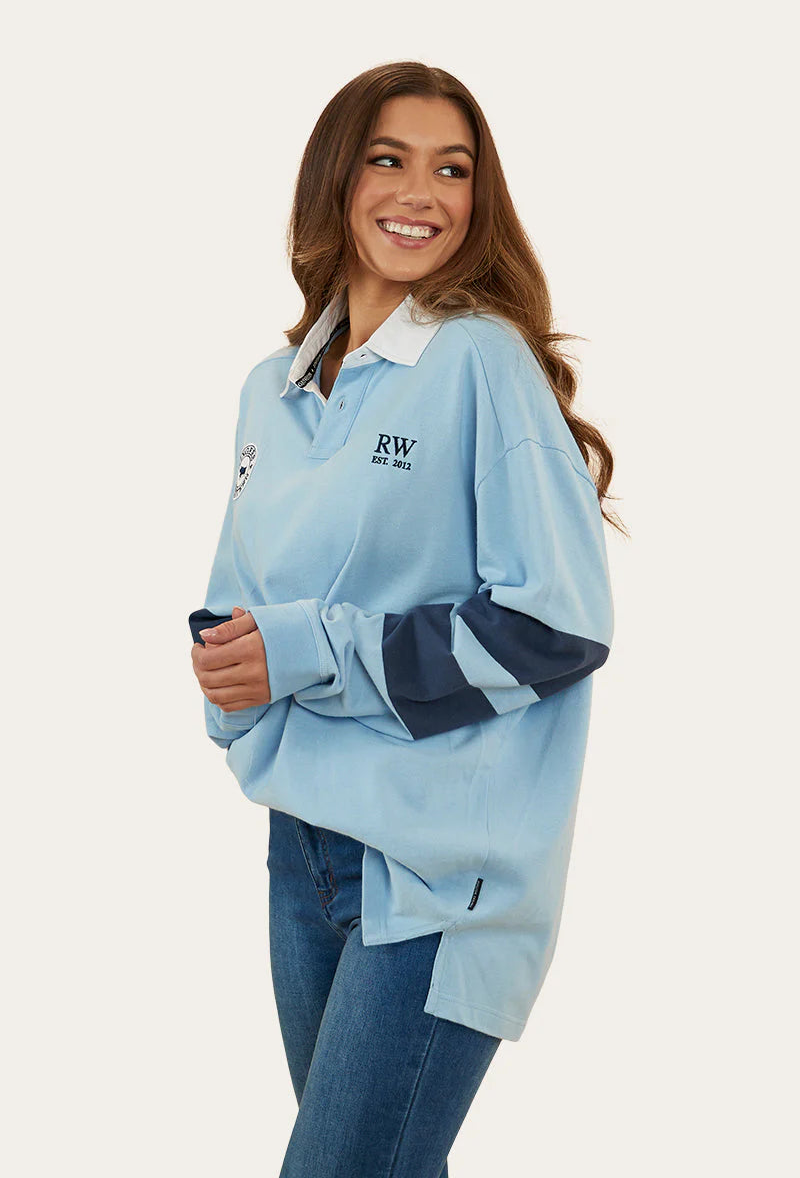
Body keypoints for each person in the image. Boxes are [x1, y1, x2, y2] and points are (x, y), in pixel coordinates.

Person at [189, 62, 625, 1178]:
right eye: (388, 159)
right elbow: (241, 600)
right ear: (336, 179)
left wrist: (304, 653)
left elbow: (558, 626)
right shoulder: (271, 388)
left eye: (452, 169)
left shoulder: (480, 359)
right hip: (302, 846)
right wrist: (232, 672)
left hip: (438, 870)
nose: (420, 193)